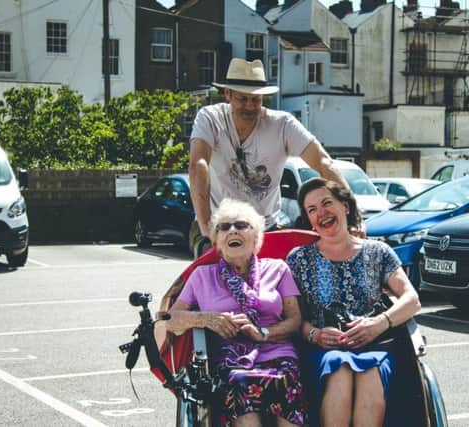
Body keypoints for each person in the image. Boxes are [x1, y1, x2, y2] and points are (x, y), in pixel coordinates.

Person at [286, 178, 421, 427]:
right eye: (312, 209)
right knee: (339, 369)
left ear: (345, 206)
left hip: (375, 344)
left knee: (370, 372)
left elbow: (412, 300)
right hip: (323, 350)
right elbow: (292, 317)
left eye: (327, 203)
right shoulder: (299, 259)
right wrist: (314, 334)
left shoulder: (378, 252)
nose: (321, 214)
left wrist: (379, 323)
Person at [167, 198, 306, 427]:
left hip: (278, 353)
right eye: (224, 227)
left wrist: (262, 333)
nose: (232, 230)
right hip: (231, 361)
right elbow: (169, 320)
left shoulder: (278, 269)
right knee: (239, 382)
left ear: (256, 237)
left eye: (241, 225)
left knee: (286, 381)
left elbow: (295, 320)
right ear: (217, 242)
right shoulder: (202, 276)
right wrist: (207, 319)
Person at [188, 57, 348, 254]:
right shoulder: (210, 118)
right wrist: (206, 227)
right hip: (219, 226)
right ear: (228, 94)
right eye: (242, 99)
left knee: (278, 279)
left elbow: (323, 161)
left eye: (256, 99)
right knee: (214, 280)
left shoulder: (282, 124)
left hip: (265, 227)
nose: (249, 106)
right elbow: (198, 164)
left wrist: (353, 214)